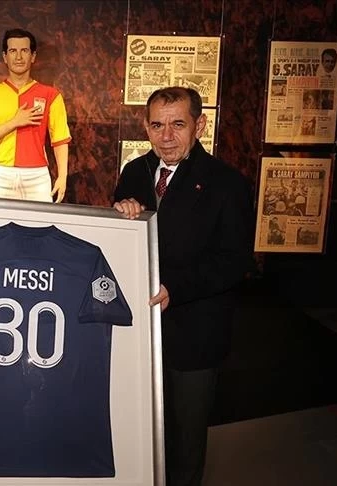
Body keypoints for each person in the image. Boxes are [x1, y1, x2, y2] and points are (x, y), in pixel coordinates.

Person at [112, 87, 254, 486]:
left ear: (199, 125)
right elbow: (121, 241)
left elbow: (234, 261)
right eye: (157, 125)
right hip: (138, 332)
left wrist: (176, 287)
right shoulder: (134, 173)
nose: (167, 136)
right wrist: (120, 214)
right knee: (137, 431)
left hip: (195, 333)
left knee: (185, 441)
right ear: (146, 127)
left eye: (178, 124)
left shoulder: (227, 183)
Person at [0, 29, 71, 203]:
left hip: (37, 176)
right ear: (5, 56)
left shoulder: (51, 95)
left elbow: (60, 139)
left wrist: (62, 176)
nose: (19, 57)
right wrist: (14, 122)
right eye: (13, 51)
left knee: (40, 220)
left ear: (33, 56)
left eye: (24, 50)